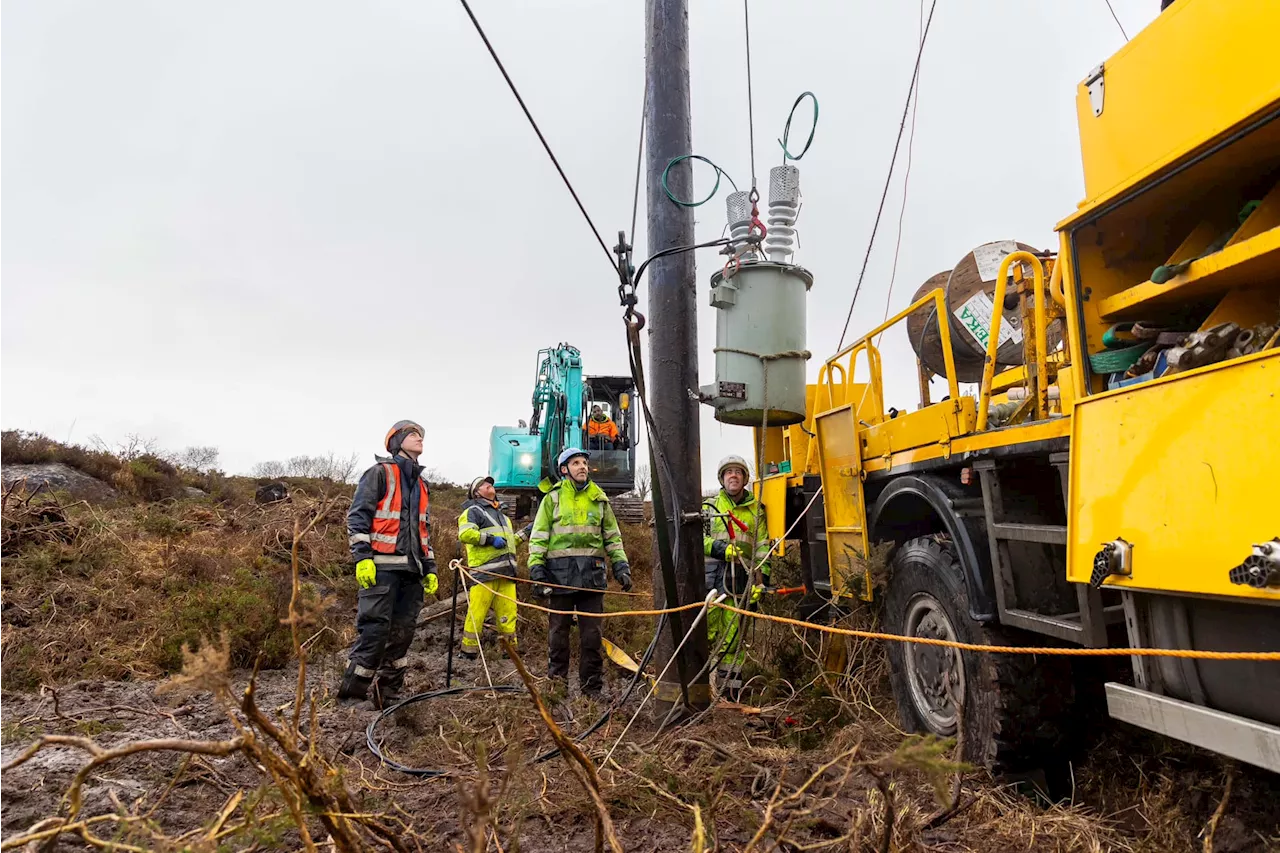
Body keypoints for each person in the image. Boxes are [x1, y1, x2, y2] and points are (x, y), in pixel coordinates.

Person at [339, 420, 439, 708]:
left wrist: (430, 568)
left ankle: (389, 694)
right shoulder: (379, 473)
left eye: (422, 434)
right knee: (374, 630)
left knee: (402, 635)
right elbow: (358, 518)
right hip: (381, 568)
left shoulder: (422, 484)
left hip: (412, 572)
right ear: (396, 442)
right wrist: (362, 559)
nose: (420, 438)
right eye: (413, 434)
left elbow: (424, 531)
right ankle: (352, 696)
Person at [528, 447, 631, 697]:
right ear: (564, 470)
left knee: (592, 638)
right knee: (558, 636)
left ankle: (592, 689)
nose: (582, 466)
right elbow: (539, 537)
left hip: (592, 579)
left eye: (584, 462)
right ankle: (557, 688)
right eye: (576, 463)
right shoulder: (551, 499)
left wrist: (621, 566)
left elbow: (613, 538)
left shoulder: (600, 498)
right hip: (558, 577)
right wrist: (536, 569)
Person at [703, 454, 771, 700]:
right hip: (712, 583)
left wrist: (762, 584)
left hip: (740, 586)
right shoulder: (709, 507)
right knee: (705, 634)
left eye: (738, 472)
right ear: (722, 478)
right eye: (729, 472)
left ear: (744, 479)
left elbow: (763, 549)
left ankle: (729, 694)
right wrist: (722, 549)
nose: (733, 475)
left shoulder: (756, 511)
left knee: (733, 641)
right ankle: (700, 688)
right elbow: (699, 540)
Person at [457, 475, 523, 659]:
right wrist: (490, 540)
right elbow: (466, 534)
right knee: (477, 613)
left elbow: (509, 543)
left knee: (509, 614)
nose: (489, 486)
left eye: (490, 484)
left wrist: (525, 534)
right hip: (484, 573)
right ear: (476, 492)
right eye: (484, 485)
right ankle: (468, 652)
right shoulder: (473, 511)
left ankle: (509, 652)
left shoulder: (503, 517)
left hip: (507, 573)